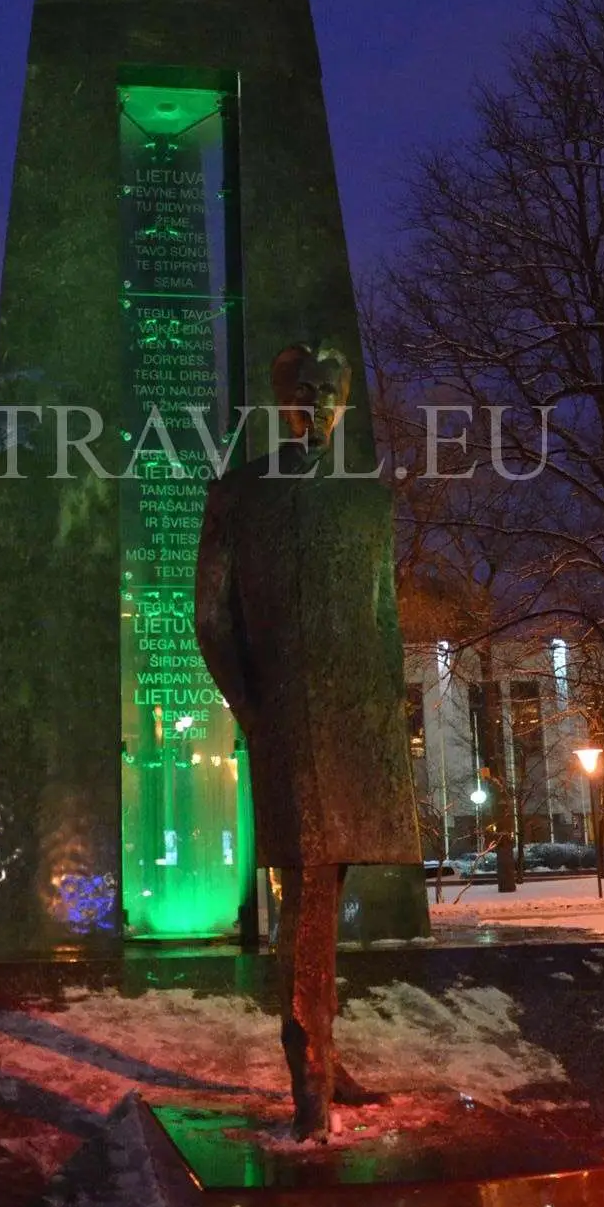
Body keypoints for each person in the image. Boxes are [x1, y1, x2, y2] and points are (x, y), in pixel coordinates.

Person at [195, 341, 421, 1138]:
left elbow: (381, 615)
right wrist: (254, 710)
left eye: (332, 389)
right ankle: (308, 1061)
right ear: (282, 399)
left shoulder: (367, 498)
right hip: (291, 716)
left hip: (359, 722)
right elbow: (211, 620)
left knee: (332, 882)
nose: (319, 402)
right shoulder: (242, 493)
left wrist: (387, 710)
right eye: (305, 390)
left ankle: (322, 1037)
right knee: (306, 887)